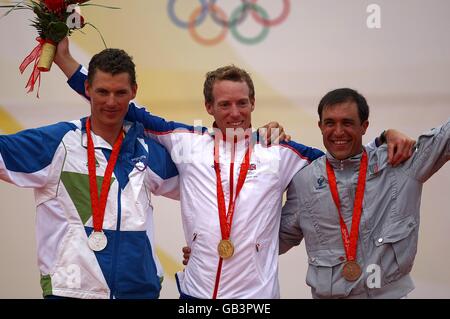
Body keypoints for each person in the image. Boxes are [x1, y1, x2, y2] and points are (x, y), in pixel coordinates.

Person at [56, 42, 414, 298]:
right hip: (195, 296)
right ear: (209, 106)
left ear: (253, 103)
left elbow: (343, 154)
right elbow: (118, 103)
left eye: (242, 103)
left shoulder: (281, 150)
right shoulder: (184, 139)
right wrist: (66, 62)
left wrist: (384, 137)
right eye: (224, 104)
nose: (235, 112)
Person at [0, 48, 180, 299]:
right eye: (102, 92)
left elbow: (205, 190)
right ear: (87, 88)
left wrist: (202, 246)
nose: (111, 102)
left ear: (134, 92)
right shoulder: (58, 142)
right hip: (71, 291)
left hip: (139, 290)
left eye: (120, 93)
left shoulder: (147, 150)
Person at [279, 88, 450, 298]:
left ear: (364, 126)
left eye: (347, 123)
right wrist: (260, 141)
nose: (338, 131)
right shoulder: (305, 181)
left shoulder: (398, 162)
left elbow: (445, 139)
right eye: (330, 123)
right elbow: (272, 241)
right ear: (320, 126)